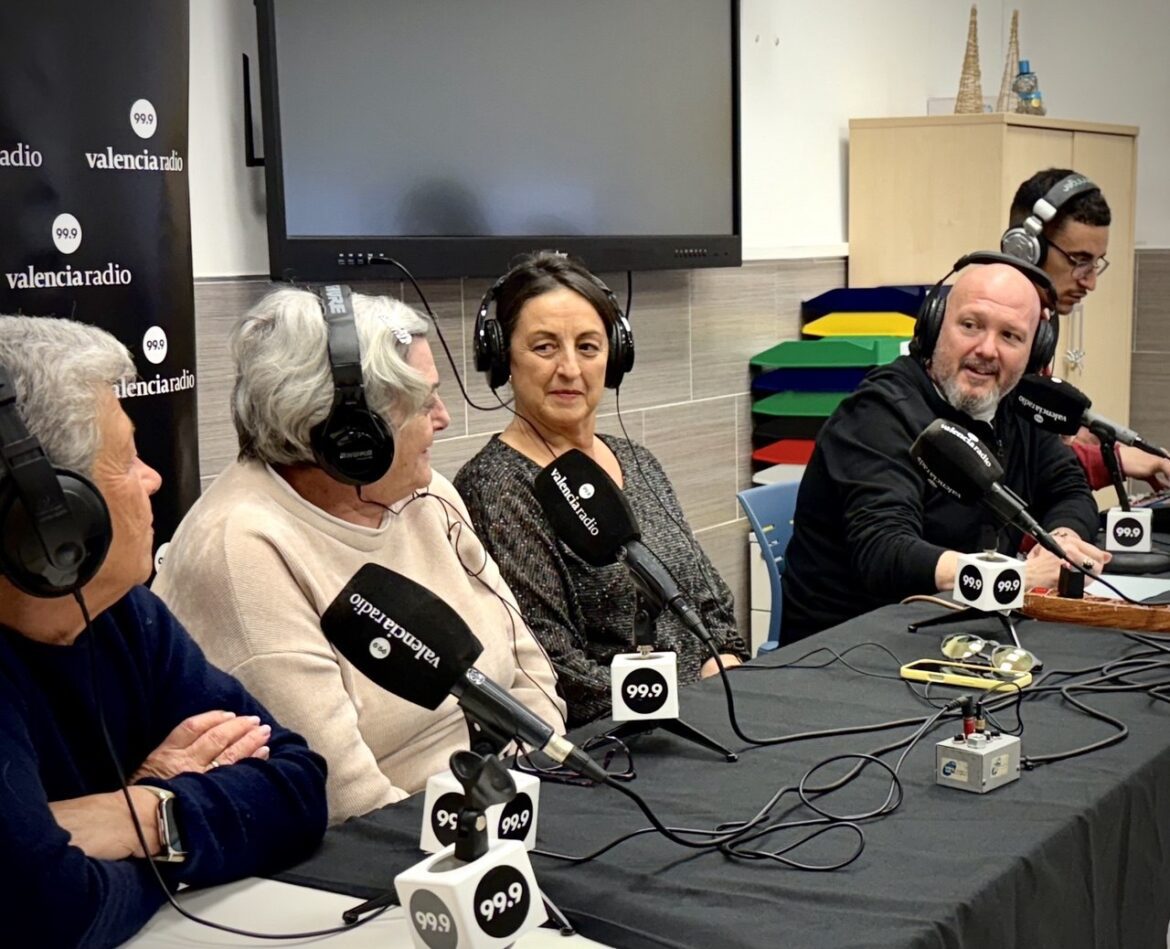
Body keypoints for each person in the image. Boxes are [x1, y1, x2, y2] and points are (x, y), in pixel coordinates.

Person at [152, 287, 564, 823]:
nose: (443, 417)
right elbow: (343, 797)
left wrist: (538, 782)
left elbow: (529, 668)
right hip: (401, 844)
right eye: (423, 402)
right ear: (351, 435)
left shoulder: (426, 495)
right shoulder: (241, 550)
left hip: (507, 803)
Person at [0, 316, 327, 948]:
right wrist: (178, 830)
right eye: (126, 458)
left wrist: (140, 814)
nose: (153, 478)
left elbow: (296, 786)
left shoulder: (125, 612)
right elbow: (50, 909)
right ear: (51, 514)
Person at [454, 252, 749, 727]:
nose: (570, 369)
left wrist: (726, 659)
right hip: (617, 736)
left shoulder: (635, 459)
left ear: (615, 358)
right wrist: (682, 700)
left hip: (708, 705)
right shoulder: (496, 488)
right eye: (545, 347)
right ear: (503, 357)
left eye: (588, 347)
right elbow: (556, 667)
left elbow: (708, 597)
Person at [781, 259, 1108, 641]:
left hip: (957, 633)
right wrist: (1014, 576)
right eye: (970, 325)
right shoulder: (878, 414)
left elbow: (1068, 487)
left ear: (1033, 353)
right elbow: (884, 550)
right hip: (847, 649)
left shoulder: (1014, 405)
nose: (987, 349)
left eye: (1010, 336)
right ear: (935, 326)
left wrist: (1063, 542)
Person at [1005, 168, 1170, 489]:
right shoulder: (995, 334)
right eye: (1079, 260)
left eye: (1095, 262)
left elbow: (1033, 436)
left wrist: (1086, 438)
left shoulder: (1042, 322)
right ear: (1025, 248)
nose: (1090, 282)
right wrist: (1115, 461)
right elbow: (1011, 463)